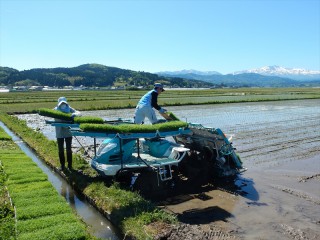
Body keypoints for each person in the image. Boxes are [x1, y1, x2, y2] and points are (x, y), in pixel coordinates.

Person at [54, 97, 81, 171]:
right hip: (59, 133)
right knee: (60, 149)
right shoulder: (55, 110)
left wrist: (74, 114)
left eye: (64, 103)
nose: (63, 105)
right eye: (61, 103)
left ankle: (70, 166)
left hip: (68, 132)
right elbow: (49, 113)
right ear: (59, 103)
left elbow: (79, 113)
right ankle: (62, 166)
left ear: (66, 103)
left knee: (69, 149)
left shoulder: (69, 108)